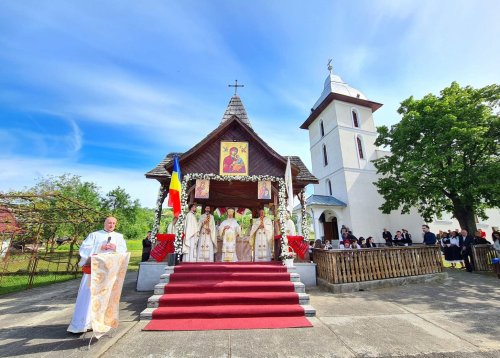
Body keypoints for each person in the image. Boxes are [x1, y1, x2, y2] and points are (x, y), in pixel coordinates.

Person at [67, 216, 127, 334]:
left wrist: (115, 248)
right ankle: (82, 323)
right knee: (88, 294)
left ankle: (100, 322)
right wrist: (100, 247)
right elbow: (84, 249)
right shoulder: (94, 235)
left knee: (104, 296)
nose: (111, 225)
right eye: (109, 222)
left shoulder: (119, 237)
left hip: (109, 272)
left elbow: (123, 251)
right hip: (94, 270)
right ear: (105, 223)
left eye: (114, 223)